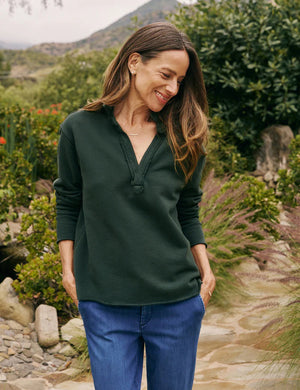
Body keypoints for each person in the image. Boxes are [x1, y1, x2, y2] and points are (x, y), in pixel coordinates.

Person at [54, 22, 216, 390]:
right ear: (133, 62)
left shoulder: (186, 136)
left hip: (176, 302)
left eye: (180, 80)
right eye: (166, 74)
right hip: (106, 302)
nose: (173, 88)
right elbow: (68, 201)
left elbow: (187, 210)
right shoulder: (79, 129)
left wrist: (206, 273)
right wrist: (68, 271)